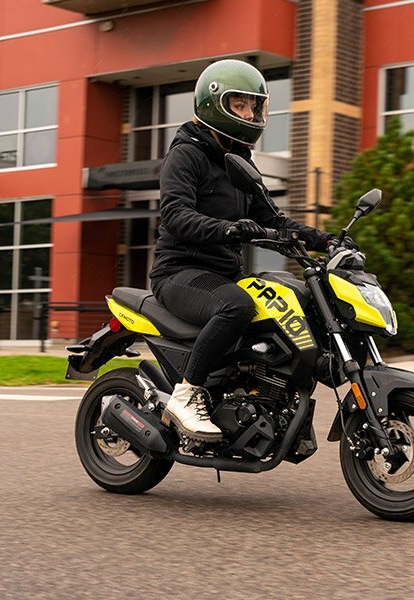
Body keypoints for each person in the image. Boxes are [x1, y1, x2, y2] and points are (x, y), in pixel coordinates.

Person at [150, 59, 338, 442]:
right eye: (240, 105)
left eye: (254, 105)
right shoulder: (186, 155)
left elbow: (274, 220)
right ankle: (186, 395)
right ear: (214, 105)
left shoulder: (239, 161)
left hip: (224, 274)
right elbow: (176, 215)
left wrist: (326, 240)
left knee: (294, 301)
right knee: (237, 306)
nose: (251, 114)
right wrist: (227, 228)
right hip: (180, 273)